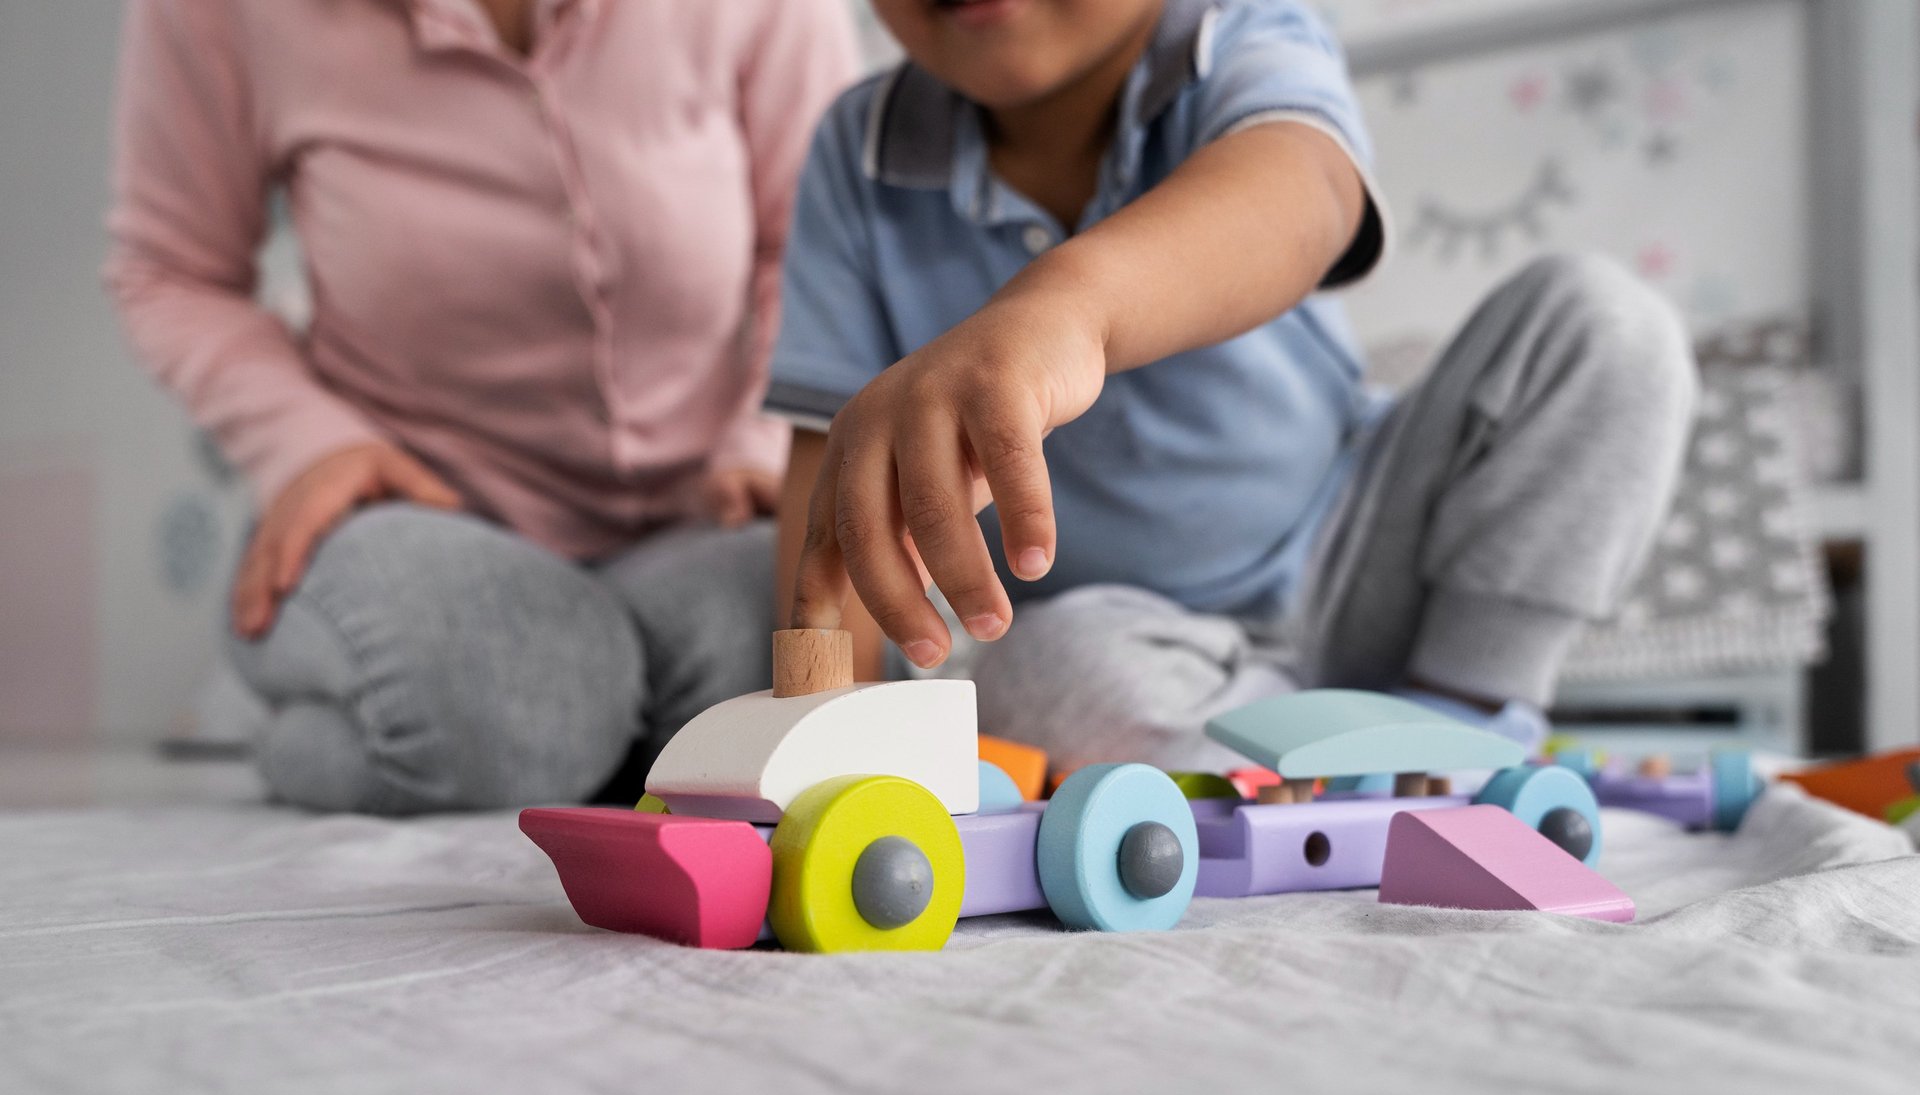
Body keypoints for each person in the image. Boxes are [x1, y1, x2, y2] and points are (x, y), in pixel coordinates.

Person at [770, 0, 1693, 771]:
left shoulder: (1237, 34)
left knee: (1603, 323)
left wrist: (1067, 311)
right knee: (1039, 679)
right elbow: (834, 489)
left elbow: (1307, 193)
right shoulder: (859, 152)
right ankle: (1321, 751)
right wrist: (824, 752)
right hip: (1126, 634)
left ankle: (1468, 721)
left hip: (1360, 544)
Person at [108, 0, 857, 811]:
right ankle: (538, 734)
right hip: (412, 512)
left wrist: (764, 438)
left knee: (756, 653)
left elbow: (824, 237)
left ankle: (568, 741)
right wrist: (309, 443)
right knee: (517, 687)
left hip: (692, 513)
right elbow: (172, 270)